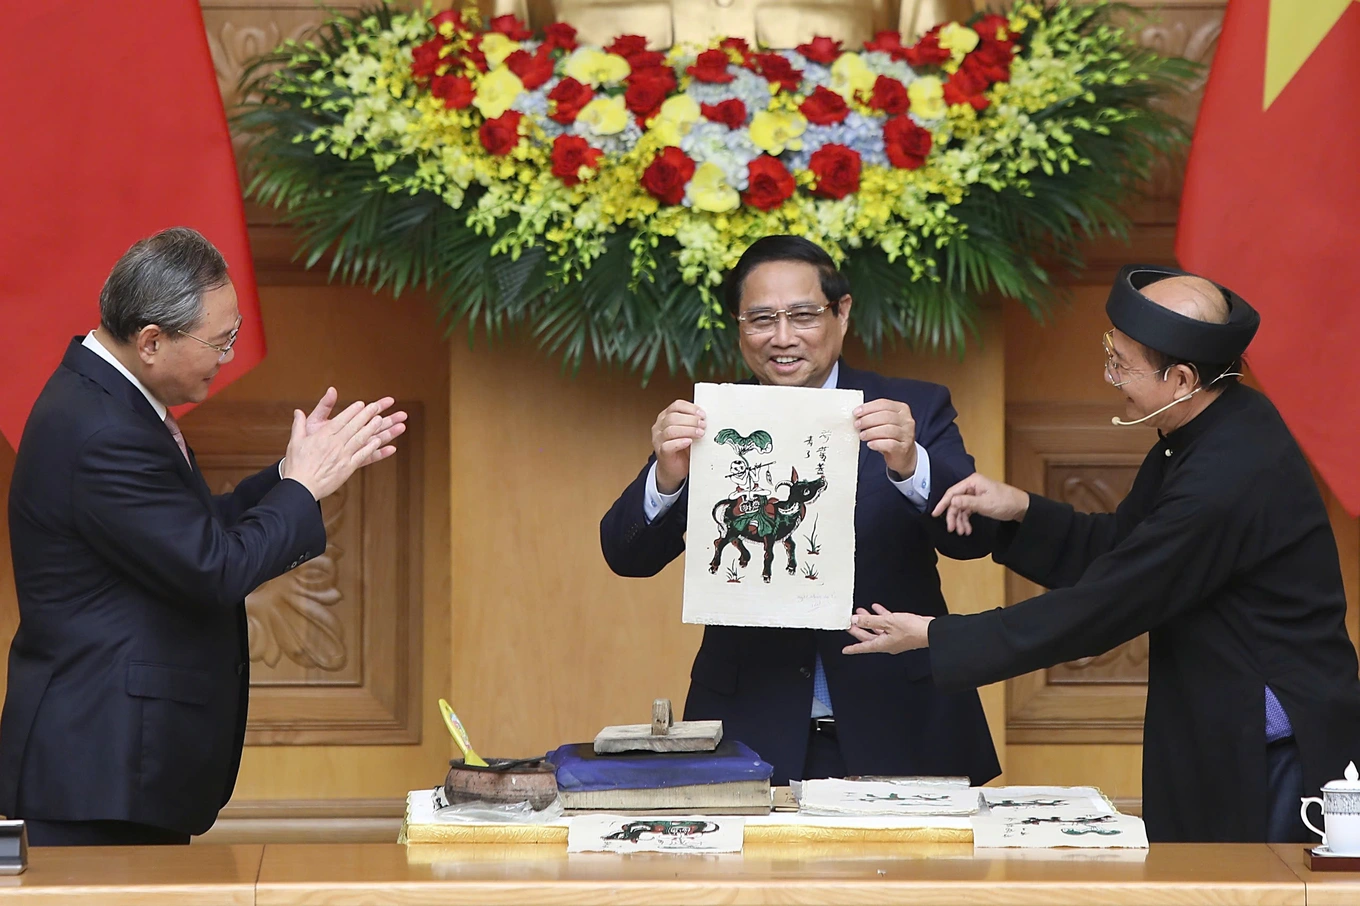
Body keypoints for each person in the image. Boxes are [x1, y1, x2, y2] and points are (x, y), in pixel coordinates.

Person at [844, 264, 1360, 842]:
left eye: (1121, 364)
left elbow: (1108, 604)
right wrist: (1019, 508)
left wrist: (937, 636)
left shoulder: (1228, 474)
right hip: (1216, 718)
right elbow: (1122, 549)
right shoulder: (1210, 425)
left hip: (1270, 750)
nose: (1109, 376)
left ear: (1182, 378)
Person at [0, 227, 407, 846]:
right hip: (95, 771)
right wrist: (300, 489)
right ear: (152, 342)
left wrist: (292, 474)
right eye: (220, 343)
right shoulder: (102, 429)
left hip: (114, 768)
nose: (228, 357)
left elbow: (187, 532)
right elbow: (213, 569)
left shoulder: (112, 399)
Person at [600, 235, 998, 785]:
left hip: (900, 720)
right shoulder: (719, 421)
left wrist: (911, 465)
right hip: (753, 723)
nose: (782, 338)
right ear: (739, 327)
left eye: (804, 316)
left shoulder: (913, 409)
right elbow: (626, 555)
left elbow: (973, 539)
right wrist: (667, 478)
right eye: (761, 319)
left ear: (842, 312)